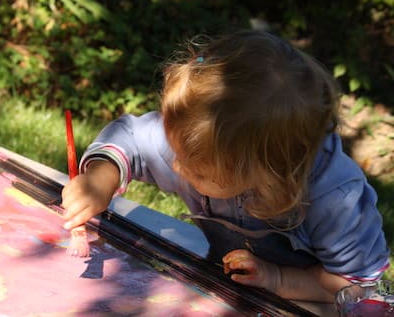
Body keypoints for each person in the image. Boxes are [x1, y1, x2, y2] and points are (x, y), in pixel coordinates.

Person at [61, 29, 390, 302]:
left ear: (265, 174)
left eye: (199, 172)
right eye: (176, 151)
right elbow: (131, 138)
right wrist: (99, 180)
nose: (177, 167)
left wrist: (276, 278)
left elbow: (356, 286)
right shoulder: (198, 147)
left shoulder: (334, 199)